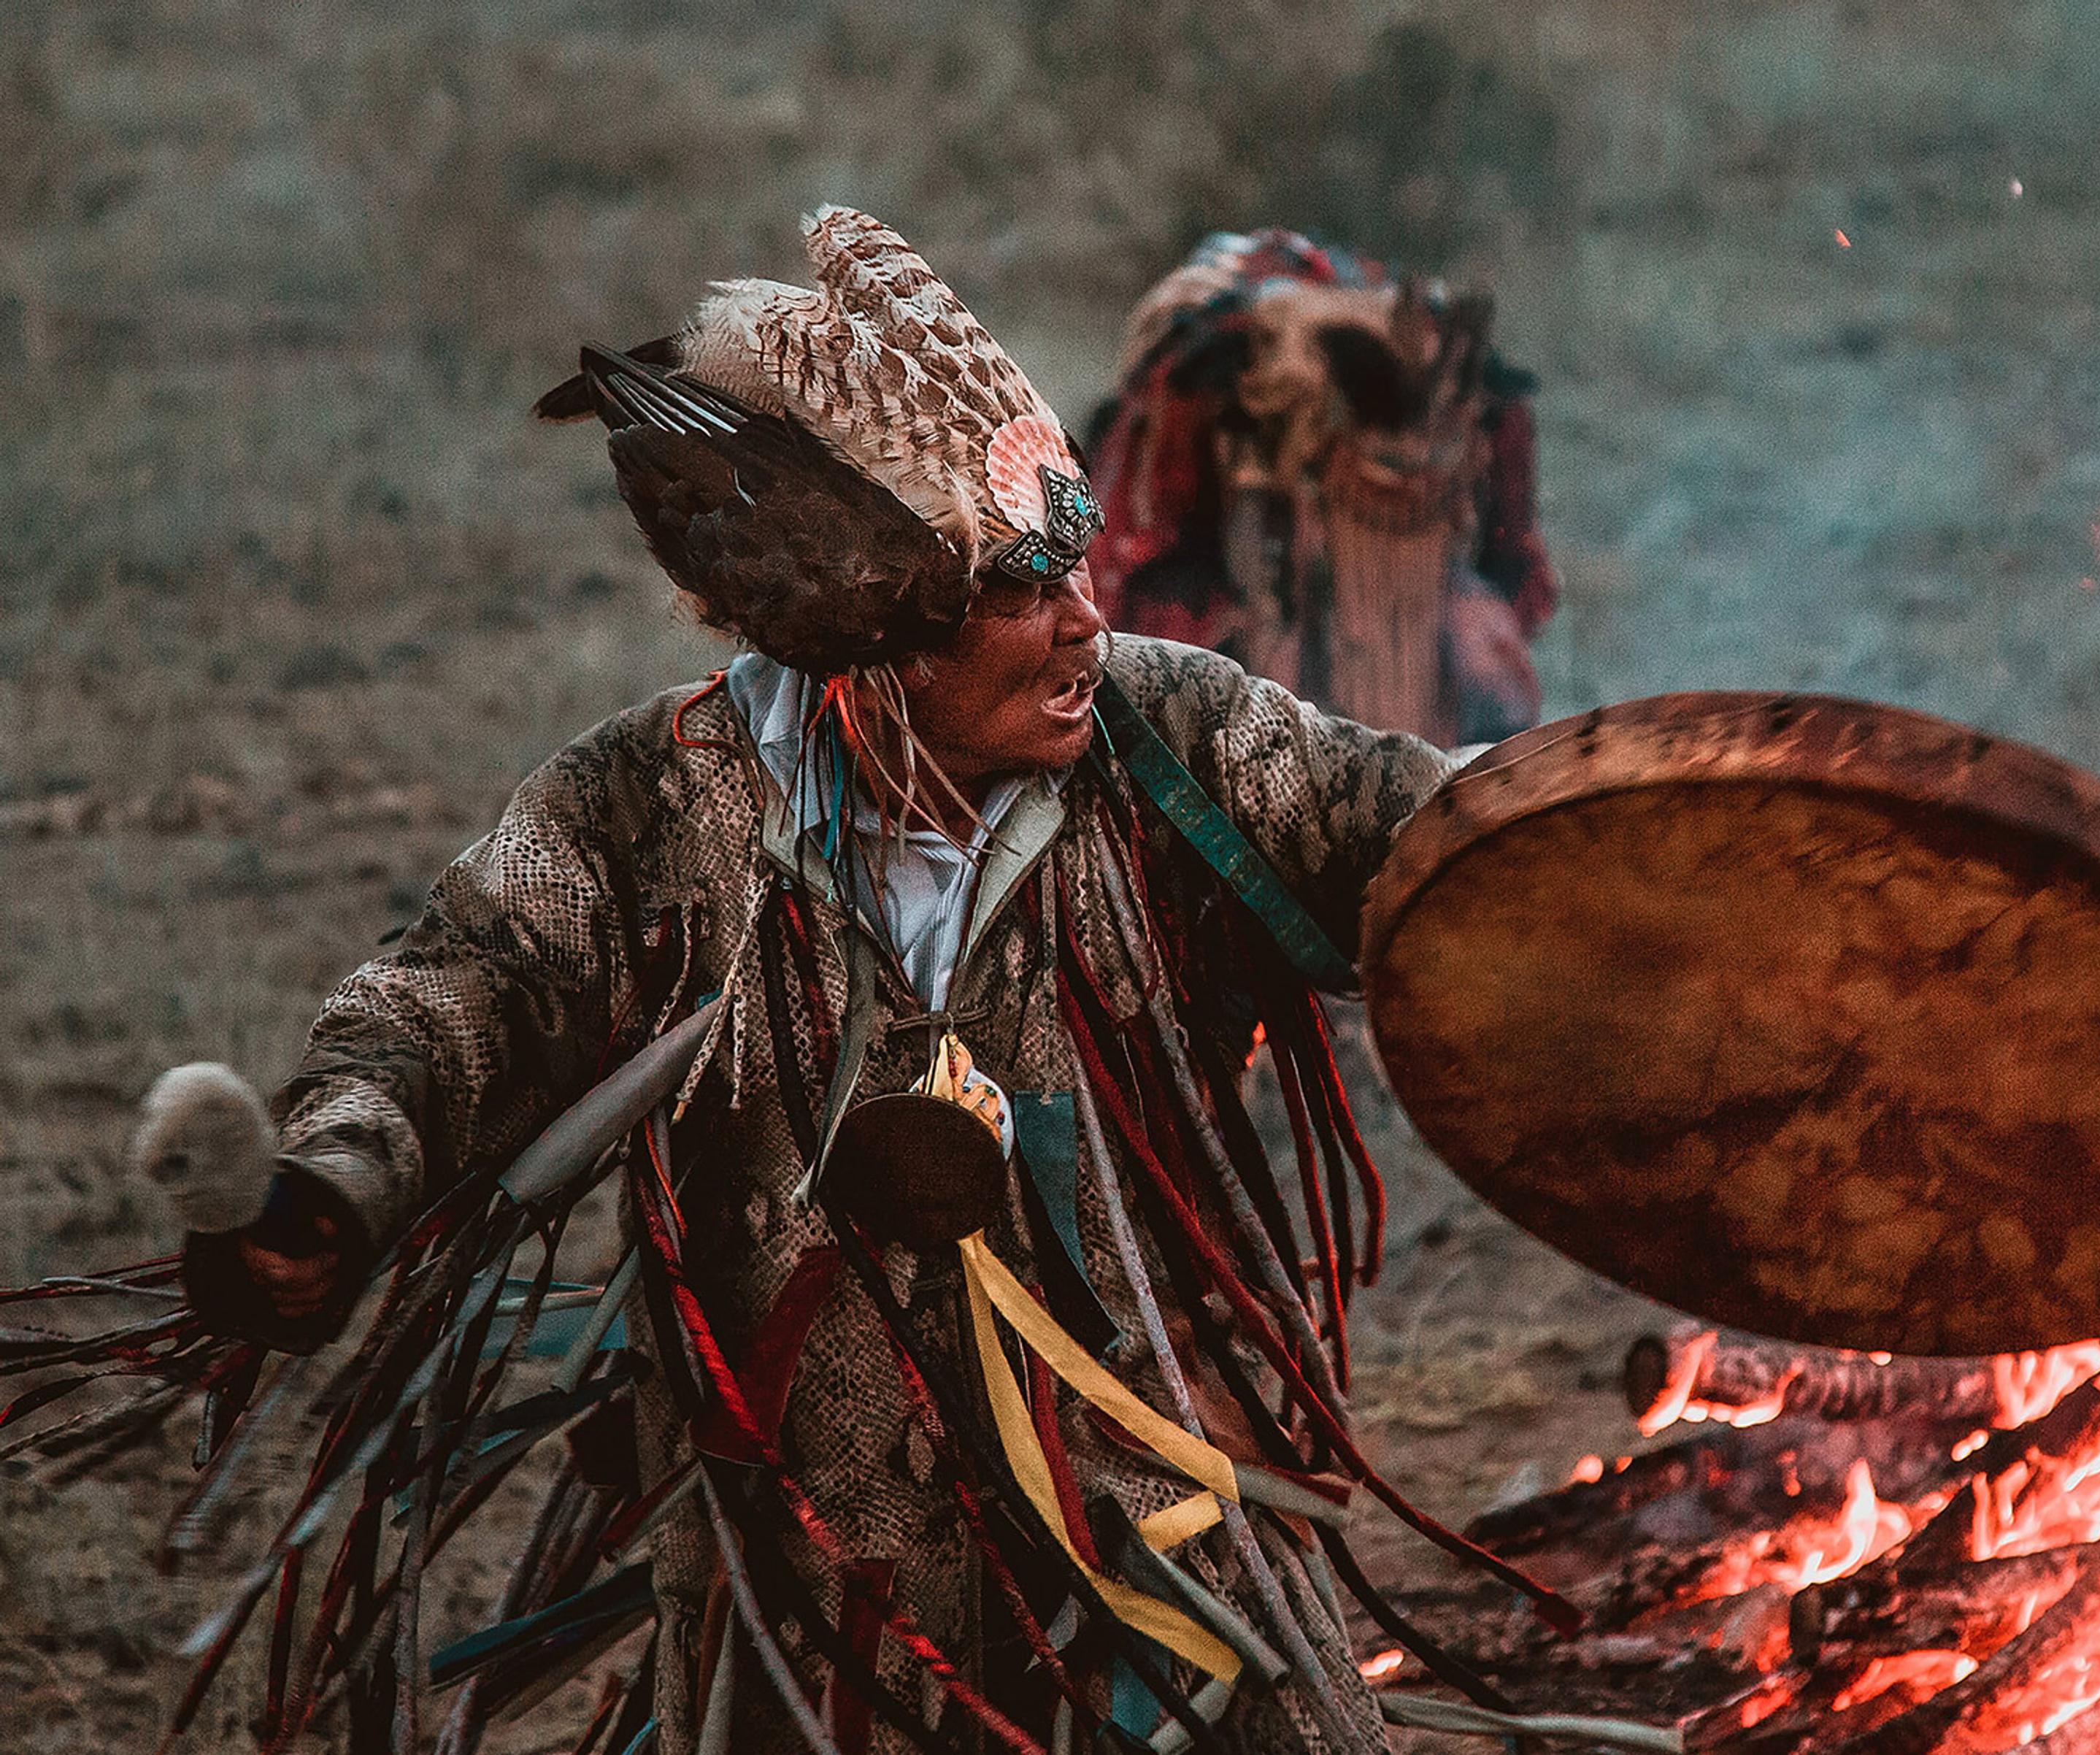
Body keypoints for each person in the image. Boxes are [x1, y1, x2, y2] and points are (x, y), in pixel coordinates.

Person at [177, 207, 1569, 1755]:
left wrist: (1651, 834)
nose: (1085, 621)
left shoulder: (1169, 744)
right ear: (875, 636)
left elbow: (1434, 834)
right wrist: (329, 1185)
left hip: (1174, 1568)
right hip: (822, 1593)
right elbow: (454, 1000)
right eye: (1026, 586)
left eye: (1079, 564)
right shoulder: (651, 807)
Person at [1083, 229, 1558, 748]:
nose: (1403, 478)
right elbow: (1127, 574)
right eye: (1379, 462)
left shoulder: (1479, 640)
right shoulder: (1203, 392)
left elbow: (1516, 568)